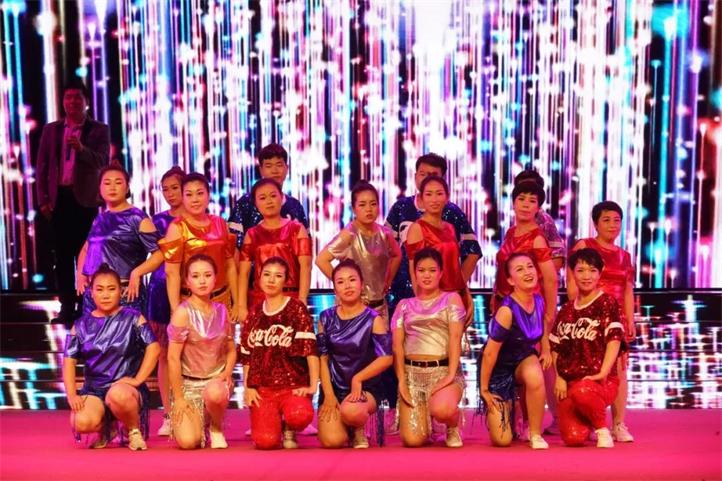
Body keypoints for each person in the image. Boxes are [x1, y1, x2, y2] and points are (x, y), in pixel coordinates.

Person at [62, 263, 160, 450]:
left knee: (117, 395)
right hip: (95, 390)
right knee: (80, 422)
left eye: (111, 289)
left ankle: (133, 430)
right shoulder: (80, 325)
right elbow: (68, 362)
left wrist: (138, 379)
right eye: (99, 290)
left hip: (125, 389)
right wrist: (72, 394)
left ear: (121, 291)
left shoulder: (134, 318)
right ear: (91, 293)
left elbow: (154, 348)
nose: (105, 295)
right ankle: (109, 428)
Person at [36, 83, 110, 325]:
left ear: (86, 101)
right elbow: (42, 166)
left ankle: (85, 305)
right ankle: (66, 307)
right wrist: (43, 200)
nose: (72, 102)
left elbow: (102, 161)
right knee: (62, 257)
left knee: (86, 256)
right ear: (63, 102)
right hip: (59, 200)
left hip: (85, 201)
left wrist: (82, 149)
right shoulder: (51, 130)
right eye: (68, 97)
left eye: (77, 97)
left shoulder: (98, 130)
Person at [567, 201, 636, 442]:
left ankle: (618, 424)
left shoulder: (625, 256)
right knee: (586, 368)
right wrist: (578, 312)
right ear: (595, 223)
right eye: (606, 220)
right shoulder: (584, 246)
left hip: (615, 320)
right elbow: (572, 282)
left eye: (617, 220)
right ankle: (589, 421)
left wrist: (630, 320)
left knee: (618, 371)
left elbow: (628, 291)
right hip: (588, 317)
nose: (612, 225)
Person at [385, 153, 481, 315]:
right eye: (423, 174)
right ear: (415, 176)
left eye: (434, 175)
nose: (427, 179)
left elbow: (472, 252)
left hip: (449, 298)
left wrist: (460, 288)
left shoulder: (452, 216)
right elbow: (388, 251)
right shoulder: (401, 208)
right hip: (409, 296)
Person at [240, 257, 319, 450]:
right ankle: (275, 424)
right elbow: (247, 355)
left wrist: (312, 385)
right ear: (259, 278)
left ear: (286, 280)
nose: (271, 280)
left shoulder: (296, 308)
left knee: (300, 414)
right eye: (266, 274)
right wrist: (248, 387)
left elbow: (310, 350)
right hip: (264, 389)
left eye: (278, 276)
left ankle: (290, 427)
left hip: (293, 386)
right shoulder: (254, 313)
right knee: (265, 441)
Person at [392, 248, 466, 448]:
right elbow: (397, 347)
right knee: (412, 441)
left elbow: (455, 338)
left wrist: (450, 375)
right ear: (414, 273)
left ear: (441, 273)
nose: (427, 275)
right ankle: (427, 424)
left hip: (442, 371)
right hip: (412, 376)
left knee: (442, 409)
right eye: (421, 270)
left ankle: (452, 425)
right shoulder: (404, 305)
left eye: (432, 270)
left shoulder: (451, 299)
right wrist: (401, 381)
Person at [551, 248, 624, 448]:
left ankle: (602, 429)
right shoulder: (566, 309)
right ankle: (588, 419)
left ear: (600, 273)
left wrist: (603, 372)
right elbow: (556, 346)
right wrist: (559, 376)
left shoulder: (607, 302)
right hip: (570, 382)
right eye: (581, 270)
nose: (586, 276)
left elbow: (614, 340)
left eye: (592, 270)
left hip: (600, 381)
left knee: (583, 392)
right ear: (572, 273)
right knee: (573, 438)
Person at [317, 259, 393, 449]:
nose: (347, 286)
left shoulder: (373, 319)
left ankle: (358, 427)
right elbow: (322, 359)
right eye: (340, 282)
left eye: (352, 280)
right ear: (335, 289)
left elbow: (386, 358)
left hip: (365, 388)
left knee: (351, 412)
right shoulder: (325, 318)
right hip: (335, 388)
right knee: (332, 441)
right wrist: (328, 394)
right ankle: (347, 426)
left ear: (361, 284)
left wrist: (358, 378)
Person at [479, 253, 549, 449]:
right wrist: (484, 389)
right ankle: (513, 408)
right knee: (502, 440)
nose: (527, 272)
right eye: (520, 269)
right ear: (511, 280)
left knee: (535, 375)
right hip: (499, 368)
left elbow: (543, 324)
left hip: (522, 358)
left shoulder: (538, 300)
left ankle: (534, 433)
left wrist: (546, 349)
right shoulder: (506, 311)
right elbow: (490, 354)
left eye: (530, 266)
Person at [167, 254, 236, 449]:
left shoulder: (222, 310)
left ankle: (216, 426)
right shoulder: (182, 313)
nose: (202, 281)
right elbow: (172, 358)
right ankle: (200, 421)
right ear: (187, 282)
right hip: (188, 386)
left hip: (215, 382)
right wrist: (179, 398)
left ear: (215, 279)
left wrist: (227, 372)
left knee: (215, 392)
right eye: (196, 276)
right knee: (189, 442)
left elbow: (231, 350)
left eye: (207, 275)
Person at [75, 165, 163, 316]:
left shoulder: (137, 217)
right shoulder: (100, 218)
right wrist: (80, 275)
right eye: (107, 183)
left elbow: (160, 253)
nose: (112, 187)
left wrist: (137, 273)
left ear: (127, 187)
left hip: (125, 294)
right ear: (100, 188)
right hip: (95, 295)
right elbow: (86, 249)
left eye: (118, 182)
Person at [316, 180, 401, 322]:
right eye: (362, 205)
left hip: (379, 306)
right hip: (353, 307)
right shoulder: (349, 234)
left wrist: (388, 280)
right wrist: (344, 284)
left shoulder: (385, 233)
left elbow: (397, 255)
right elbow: (321, 260)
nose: (369, 209)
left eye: (373, 204)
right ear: (354, 209)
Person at [159, 173, 239, 320]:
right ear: (183, 198)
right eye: (189, 195)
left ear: (208, 195)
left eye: (200, 193)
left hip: (222, 300)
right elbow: (172, 273)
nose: (195, 199)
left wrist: (237, 302)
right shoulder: (177, 227)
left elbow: (230, 265)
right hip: (191, 303)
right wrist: (175, 311)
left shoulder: (220, 223)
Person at [238, 179, 312, 322]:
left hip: (290, 298)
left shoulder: (297, 229)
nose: (269, 201)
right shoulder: (252, 234)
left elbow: (306, 267)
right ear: (256, 203)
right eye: (262, 198)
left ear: (281, 197)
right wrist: (241, 306)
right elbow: (244, 273)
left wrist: (302, 299)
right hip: (260, 301)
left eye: (273, 196)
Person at [405, 175, 475, 325]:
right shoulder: (417, 229)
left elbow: (455, 266)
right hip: (434, 302)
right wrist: (421, 306)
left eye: (439, 193)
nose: (434, 199)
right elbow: (414, 271)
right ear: (421, 199)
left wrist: (467, 294)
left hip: (458, 297)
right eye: (429, 194)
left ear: (447, 197)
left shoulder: (450, 228)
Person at [147, 166, 185, 436]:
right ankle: (169, 414)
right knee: (164, 354)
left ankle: (194, 411)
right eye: (165, 190)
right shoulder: (157, 221)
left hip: (191, 289)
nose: (170, 194)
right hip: (160, 290)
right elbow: (153, 256)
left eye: (175, 188)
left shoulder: (199, 219)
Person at [228, 143, 309, 248]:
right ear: (261, 170)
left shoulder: (295, 205)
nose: (274, 171)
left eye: (279, 165)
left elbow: (306, 245)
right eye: (268, 166)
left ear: (287, 168)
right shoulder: (245, 203)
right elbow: (233, 244)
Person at [513, 169, 566, 271]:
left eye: (532, 189)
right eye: (522, 188)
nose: (527, 191)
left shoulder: (544, 220)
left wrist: (535, 277)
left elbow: (557, 257)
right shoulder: (512, 228)